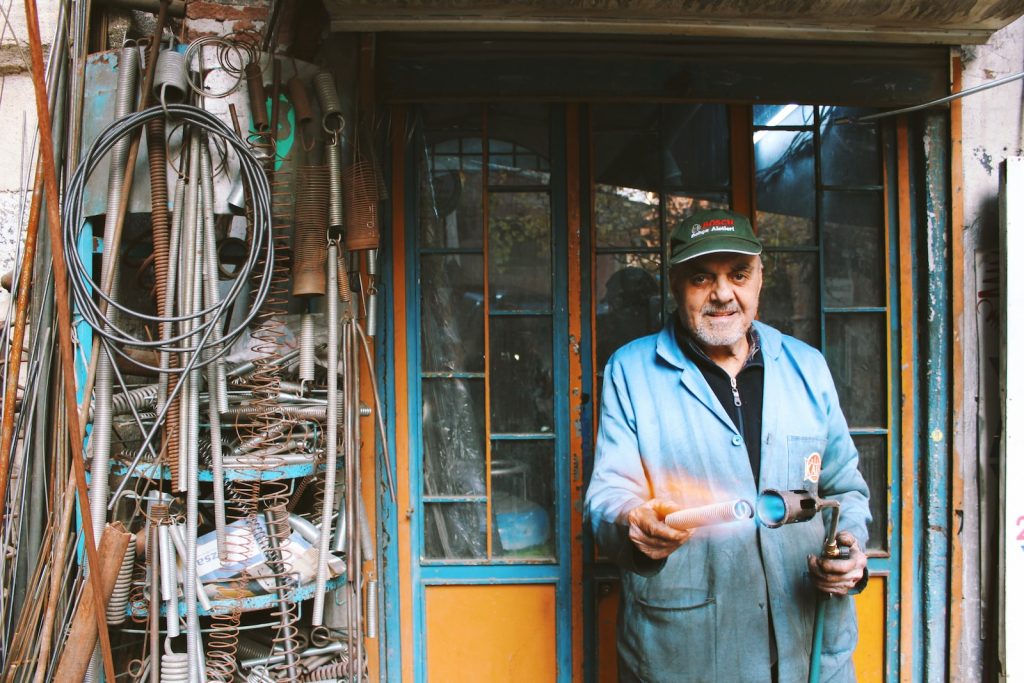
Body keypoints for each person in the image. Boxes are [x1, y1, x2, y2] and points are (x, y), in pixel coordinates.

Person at [585, 209, 870, 682]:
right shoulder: (631, 372)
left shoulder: (807, 368)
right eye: (702, 277)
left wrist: (851, 552)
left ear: (760, 279)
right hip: (688, 655)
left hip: (810, 650)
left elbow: (846, 489)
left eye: (738, 274)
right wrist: (633, 523)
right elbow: (608, 496)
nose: (722, 293)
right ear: (675, 284)